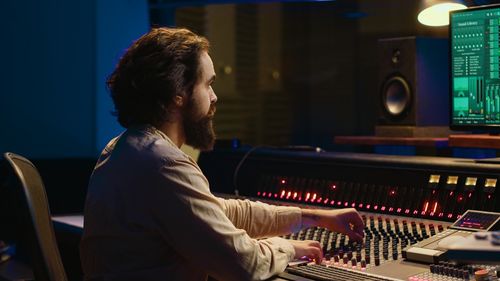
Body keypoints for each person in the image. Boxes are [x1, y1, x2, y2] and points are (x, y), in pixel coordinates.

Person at [80, 27, 364, 281]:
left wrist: (313, 217)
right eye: (208, 84)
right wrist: (287, 247)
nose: (214, 97)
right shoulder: (162, 164)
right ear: (178, 93)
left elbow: (220, 212)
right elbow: (244, 264)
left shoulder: (124, 148)